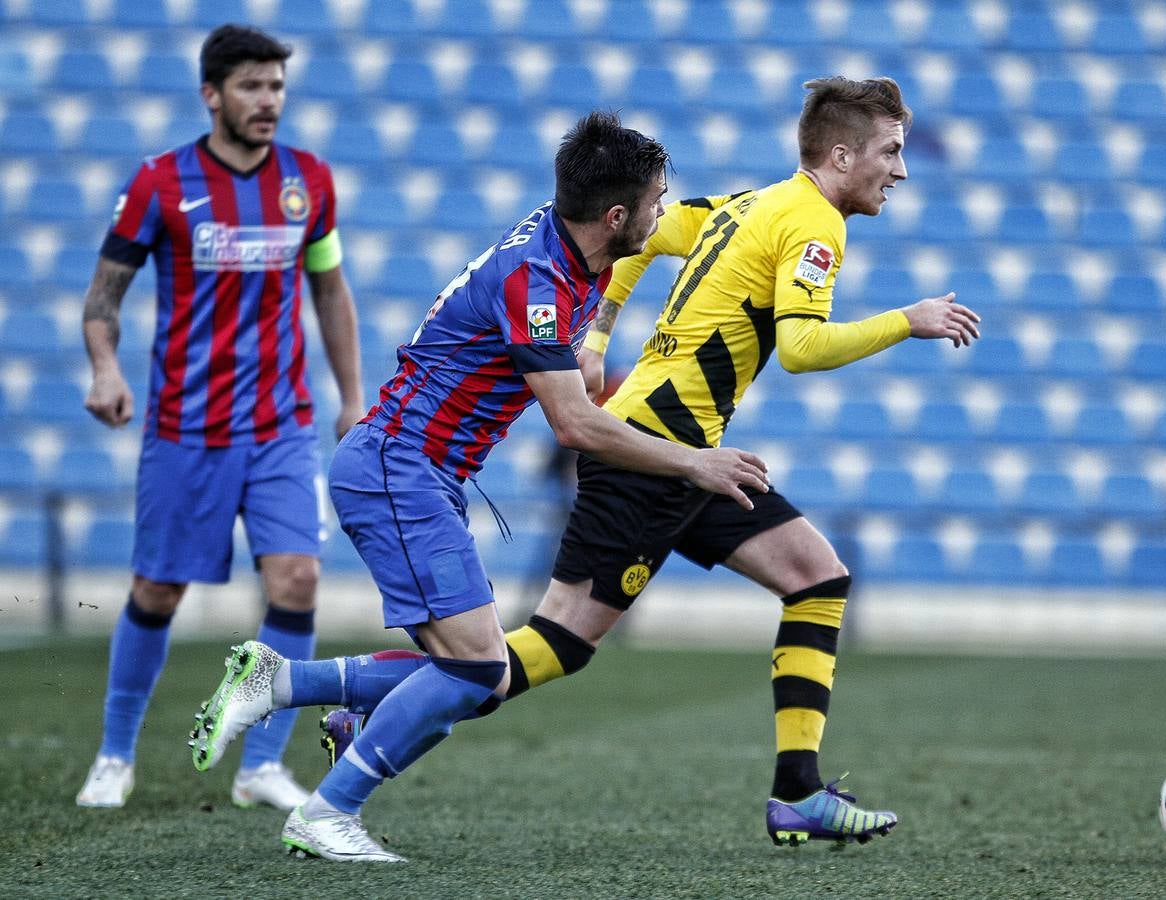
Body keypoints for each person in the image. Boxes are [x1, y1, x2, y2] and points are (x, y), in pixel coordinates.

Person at [321, 75, 982, 849]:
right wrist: (910, 320)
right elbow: (801, 348)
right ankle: (365, 704)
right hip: (660, 453)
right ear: (841, 155)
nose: (900, 170)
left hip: (688, 449)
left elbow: (641, 238)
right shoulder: (815, 228)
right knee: (551, 645)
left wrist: (599, 334)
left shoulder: (745, 204)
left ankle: (797, 790)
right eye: (891, 151)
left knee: (817, 577)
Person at [188, 111, 771, 863]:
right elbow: (574, 426)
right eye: (658, 200)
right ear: (617, 215)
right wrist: (695, 462)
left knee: (479, 675)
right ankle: (326, 810)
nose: (664, 213)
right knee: (476, 670)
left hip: (416, 471)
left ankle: (280, 681)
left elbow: (575, 338)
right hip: (400, 470)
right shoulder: (539, 278)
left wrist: (587, 351)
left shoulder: (568, 246)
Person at [74, 23, 364, 811]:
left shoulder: (309, 182)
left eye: (276, 86)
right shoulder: (159, 182)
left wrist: (352, 396)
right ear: (212, 94)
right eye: (251, 86)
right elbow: (104, 298)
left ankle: (262, 764)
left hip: (280, 425)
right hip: (185, 428)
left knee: (298, 580)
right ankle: (114, 753)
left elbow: (329, 290)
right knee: (159, 591)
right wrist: (104, 369)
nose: (268, 100)